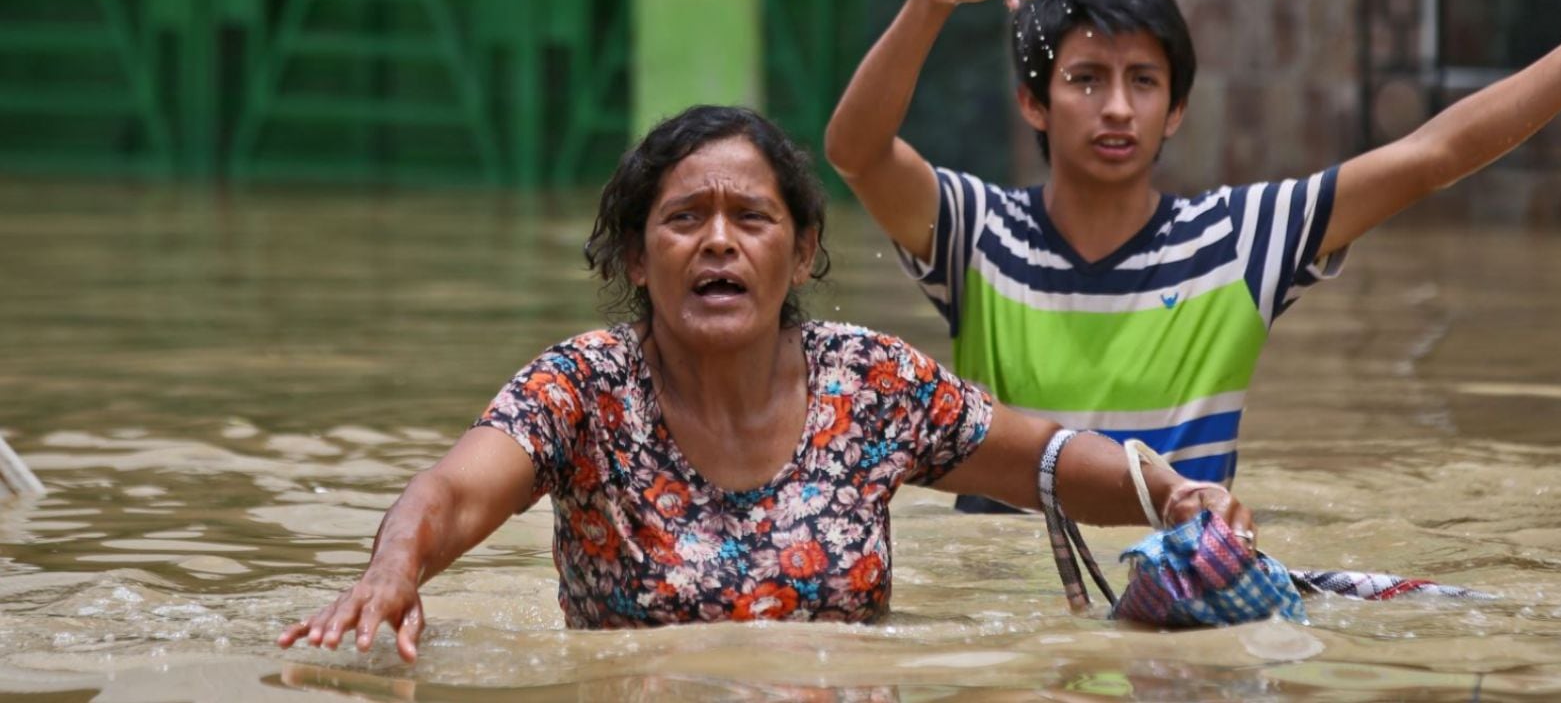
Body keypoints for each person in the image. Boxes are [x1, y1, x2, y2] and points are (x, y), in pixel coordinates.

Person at [277, 105, 1252, 660]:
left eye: (751, 218)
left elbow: (1038, 456)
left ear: (802, 248)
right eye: (683, 219)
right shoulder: (583, 389)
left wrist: (1170, 493)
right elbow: (451, 491)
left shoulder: (869, 383)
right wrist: (392, 571)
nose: (718, 242)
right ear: (635, 257)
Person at [824, 0, 1561, 507]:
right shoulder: (978, 233)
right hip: (999, 605)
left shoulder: (1240, 241)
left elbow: (1434, 154)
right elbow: (855, 153)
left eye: (1144, 82)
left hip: (1185, 585)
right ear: (1034, 102)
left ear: (1177, 110)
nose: (1118, 108)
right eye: (1086, 80)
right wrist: (931, 0)